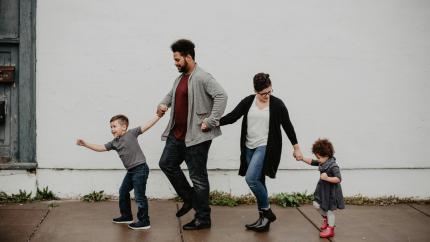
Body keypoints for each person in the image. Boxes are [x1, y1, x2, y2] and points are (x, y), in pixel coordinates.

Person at [157, 39, 228, 230]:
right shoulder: (180, 78)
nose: (176, 63)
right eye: (174, 60)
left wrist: (211, 120)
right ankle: (189, 199)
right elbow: (171, 95)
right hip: (177, 135)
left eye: (178, 59)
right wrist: (163, 104)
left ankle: (203, 218)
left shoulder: (202, 77)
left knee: (198, 177)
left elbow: (222, 96)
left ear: (188, 57)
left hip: (196, 137)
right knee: (166, 163)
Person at [219, 73, 303, 232]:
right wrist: (213, 123)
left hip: (266, 146)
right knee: (259, 181)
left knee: (251, 179)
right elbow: (233, 117)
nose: (267, 95)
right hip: (248, 147)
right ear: (255, 91)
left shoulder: (277, 104)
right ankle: (263, 221)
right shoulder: (249, 101)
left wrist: (296, 147)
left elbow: (287, 126)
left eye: (269, 92)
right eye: (263, 93)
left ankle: (267, 211)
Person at [76, 114, 160, 230]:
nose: (112, 130)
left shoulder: (131, 133)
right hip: (131, 171)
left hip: (140, 169)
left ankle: (144, 221)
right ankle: (126, 216)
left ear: (124, 127)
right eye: (111, 127)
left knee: (139, 196)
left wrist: (158, 116)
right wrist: (85, 144)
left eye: (114, 126)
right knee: (123, 191)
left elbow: (146, 126)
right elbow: (100, 148)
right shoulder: (114, 142)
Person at [299, 138, 345, 238]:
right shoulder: (322, 162)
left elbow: (338, 179)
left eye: (319, 157)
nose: (318, 159)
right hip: (322, 190)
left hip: (331, 192)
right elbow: (312, 162)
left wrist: (327, 178)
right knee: (316, 204)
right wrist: (302, 158)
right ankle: (326, 219)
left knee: (329, 211)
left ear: (327, 156)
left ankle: (330, 229)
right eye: (317, 157)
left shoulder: (333, 166)